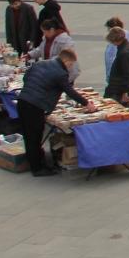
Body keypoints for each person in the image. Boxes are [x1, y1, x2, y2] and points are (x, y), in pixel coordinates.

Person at [16, 49, 93, 177]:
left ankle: (35, 162)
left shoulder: (41, 63)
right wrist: (86, 103)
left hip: (23, 101)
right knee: (34, 137)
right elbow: (70, 91)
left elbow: (26, 77)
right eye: (70, 64)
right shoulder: (60, 73)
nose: (70, 67)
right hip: (35, 106)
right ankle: (37, 168)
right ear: (65, 60)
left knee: (29, 136)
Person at [103, 26, 129, 111]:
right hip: (122, 85)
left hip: (119, 87)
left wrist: (127, 92)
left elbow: (127, 74)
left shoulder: (124, 53)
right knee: (123, 107)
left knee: (113, 106)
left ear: (115, 41)